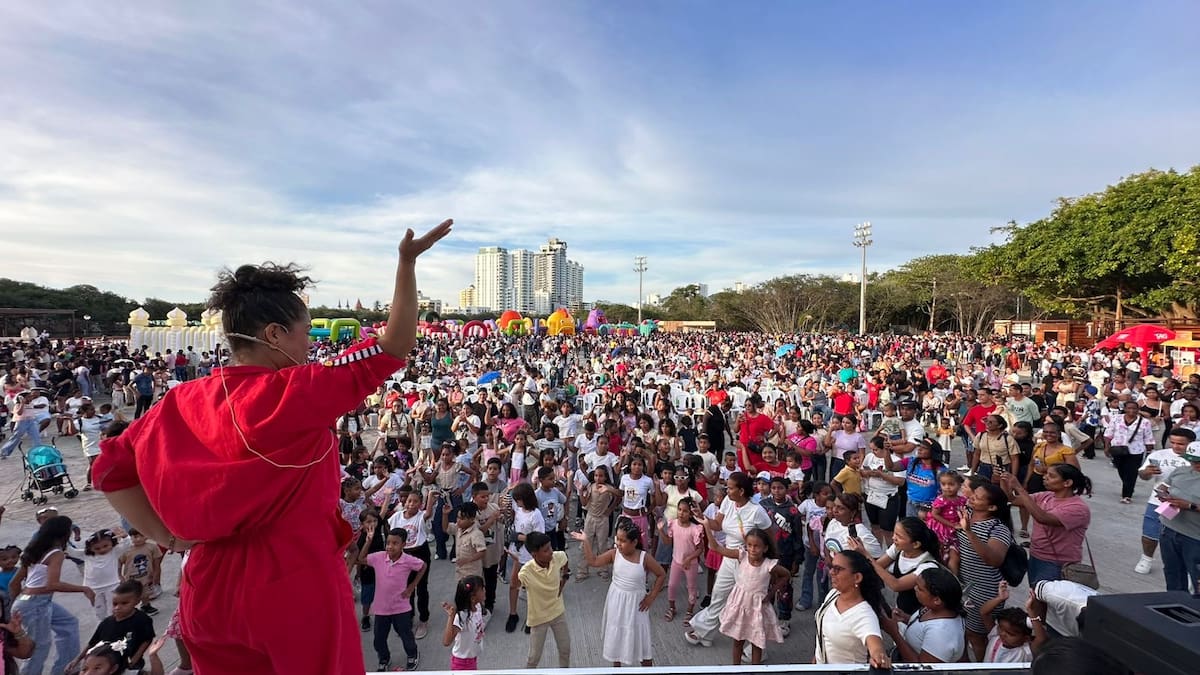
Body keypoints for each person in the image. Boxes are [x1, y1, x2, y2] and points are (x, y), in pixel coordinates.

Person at [92, 220, 452, 674]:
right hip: (295, 584)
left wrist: (169, 537)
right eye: (304, 333)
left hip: (207, 588)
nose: (310, 346)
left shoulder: (179, 401)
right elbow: (393, 347)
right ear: (275, 335)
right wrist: (406, 264)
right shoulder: (296, 391)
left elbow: (109, 472)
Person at [683, 472, 772, 648]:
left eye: (730, 488)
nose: (727, 490)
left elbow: (770, 538)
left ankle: (752, 648)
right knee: (719, 595)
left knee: (748, 605)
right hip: (729, 557)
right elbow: (717, 525)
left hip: (749, 563)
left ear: (741, 491)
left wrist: (769, 565)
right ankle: (704, 632)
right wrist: (702, 517)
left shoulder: (757, 512)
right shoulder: (727, 502)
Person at [570, 519, 665, 666]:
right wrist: (586, 541)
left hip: (637, 605)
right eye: (617, 539)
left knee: (641, 642)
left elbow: (661, 574)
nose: (618, 543)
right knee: (617, 639)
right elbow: (593, 561)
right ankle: (617, 669)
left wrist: (651, 596)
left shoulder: (644, 557)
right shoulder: (615, 554)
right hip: (617, 603)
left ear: (634, 542)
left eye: (623, 540)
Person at [10, 515, 90, 675]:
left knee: (69, 623)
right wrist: (84, 589)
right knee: (39, 647)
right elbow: (53, 584)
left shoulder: (34, 551)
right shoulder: (56, 554)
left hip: (28, 601)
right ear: (64, 534)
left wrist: (15, 606)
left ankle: (66, 669)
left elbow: (14, 583)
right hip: (36, 604)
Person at [704, 526, 789, 665]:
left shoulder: (769, 565)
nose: (752, 549)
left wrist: (771, 593)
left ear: (765, 548)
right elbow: (716, 547)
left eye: (757, 546)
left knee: (757, 644)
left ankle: (754, 669)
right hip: (740, 607)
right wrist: (706, 524)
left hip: (757, 609)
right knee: (738, 641)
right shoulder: (742, 556)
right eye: (749, 545)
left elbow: (786, 575)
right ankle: (736, 669)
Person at [1003, 465, 1092, 585]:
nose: (1045, 477)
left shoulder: (1078, 508)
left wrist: (1019, 488)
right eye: (1046, 474)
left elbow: (1042, 518)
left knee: (1047, 599)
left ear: (1067, 483)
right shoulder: (1046, 496)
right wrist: (1003, 481)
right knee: (1035, 596)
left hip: (1058, 563)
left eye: (1051, 476)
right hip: (1036, 556)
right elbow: (1013, 500)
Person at [954, 481, 1013, 659]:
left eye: (978, 497)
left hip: (985, 591)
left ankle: (981, 666)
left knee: (977, 636)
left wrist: (969, 532)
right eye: (974, 493)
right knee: (961, 631)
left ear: (992, 507)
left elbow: (994, 560)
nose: (971, 497)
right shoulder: (967, 514)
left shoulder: (998, 529)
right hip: (964, 587)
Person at [357, 524, 426, 672]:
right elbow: (361, 558)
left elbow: (423, 566)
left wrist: (412, 586)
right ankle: (384, 658)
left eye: (395, 543)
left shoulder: (408, 560)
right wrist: (368, 541)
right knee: (379, 639)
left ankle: (412, 654)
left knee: (405, 635)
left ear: (404, 544)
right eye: (388, 543)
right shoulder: (379, 557)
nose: (390, 546)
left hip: (401, 607)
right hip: (381, 609)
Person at [813, 550, 891, 668]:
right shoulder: (833, 594)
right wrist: (818, 657)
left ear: (857, 577)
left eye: (837, 569)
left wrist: (879, 657)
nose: (831, 572)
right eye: (831, 567)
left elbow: (875, 645)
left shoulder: (864, 615)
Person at [1134, 428, 1197, 575]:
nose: (1176, 446)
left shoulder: (1195, 459)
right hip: (1161, 503)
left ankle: (1189, 569)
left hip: (1188, 506)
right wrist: (1147, 472)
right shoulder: (1159, 454)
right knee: (1151, 532)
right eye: (1173, 442)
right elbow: (1143, 475)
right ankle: (1146, 559)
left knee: (1185, 538)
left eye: (1181, 444)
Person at [65, 579, 156, 674]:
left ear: (137, 601)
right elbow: (92, 643)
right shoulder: (106, 622)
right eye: (115, 604)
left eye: (124, 603)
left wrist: (134, 659)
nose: (118, 607)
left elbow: (147, 640)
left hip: (129, 666)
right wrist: (77, 660)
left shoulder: (142, 619)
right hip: (107, 669)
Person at [855, 517, 941, 616]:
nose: (893, 538)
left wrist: (866, 555)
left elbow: (896, 585)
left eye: (899, 536)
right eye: (895, 533)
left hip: (919, 615)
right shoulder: (899, 549)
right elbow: (878, 566)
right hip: (901, 608)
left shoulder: (927, 566)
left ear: (916, 544)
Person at [879, 566, 966, 663]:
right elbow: (924, 628)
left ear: (937, 600)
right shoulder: (935, 608)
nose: (915, 589)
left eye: (920, 589)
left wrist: (894, 633)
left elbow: (923, 668)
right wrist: (906, 618)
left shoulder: (941, 634)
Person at [514, 532, 571, 668]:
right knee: (534, 658)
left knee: (565, 650)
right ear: (534, 554)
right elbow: (514, 585)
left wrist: (565, 577)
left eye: (550, 547)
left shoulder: (556, 557)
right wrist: (516, 562)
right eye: (545, 550)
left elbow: (565, 558)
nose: (551, 552)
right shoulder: (526, 572)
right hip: (538, 619)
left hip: (558, 613)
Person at [1154, 440, 1200, 595]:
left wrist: (1190, 506)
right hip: (1169, 529)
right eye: (1192, 461)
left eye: (1199, 461)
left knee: (1197, 578)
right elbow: (1163, 486)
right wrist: (1163, 494)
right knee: (1172, 573)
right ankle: (1174, 605)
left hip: (1195, 537)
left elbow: (1190, 505)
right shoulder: (1181, 470)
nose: (1195, 465)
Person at [1104, 400, 1156, 504]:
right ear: (1125, 409)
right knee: (1121, 470)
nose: (1131, 410)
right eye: (1129, 408)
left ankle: (1127, 495)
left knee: (1131, 473)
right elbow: (1109, 433)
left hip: (1136, 451)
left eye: (1134, 408)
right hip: (1118, 449)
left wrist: (1149, 450)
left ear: (1138, 410)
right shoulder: (1116, 418)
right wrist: (1106, 447)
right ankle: (1128, 486)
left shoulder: (1145, 422)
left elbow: (1148, 438)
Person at [977, 582, 1034, 663]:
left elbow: (1040, 638)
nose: (1003, 634)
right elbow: (983, 612)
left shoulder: (1026, 652)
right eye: (1000, 628)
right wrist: (1000, 598)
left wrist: (1032, 613)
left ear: (1026, 638)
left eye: (1010, 634)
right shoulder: (995, 636)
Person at [441, 576, 486, 671]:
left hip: (472, 658)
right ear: (473, 598)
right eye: (482, 589)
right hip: (462, 664)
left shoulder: (478, 606)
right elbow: (447, 641)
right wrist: (451, 616)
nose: (484, 591)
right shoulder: (462, 616)